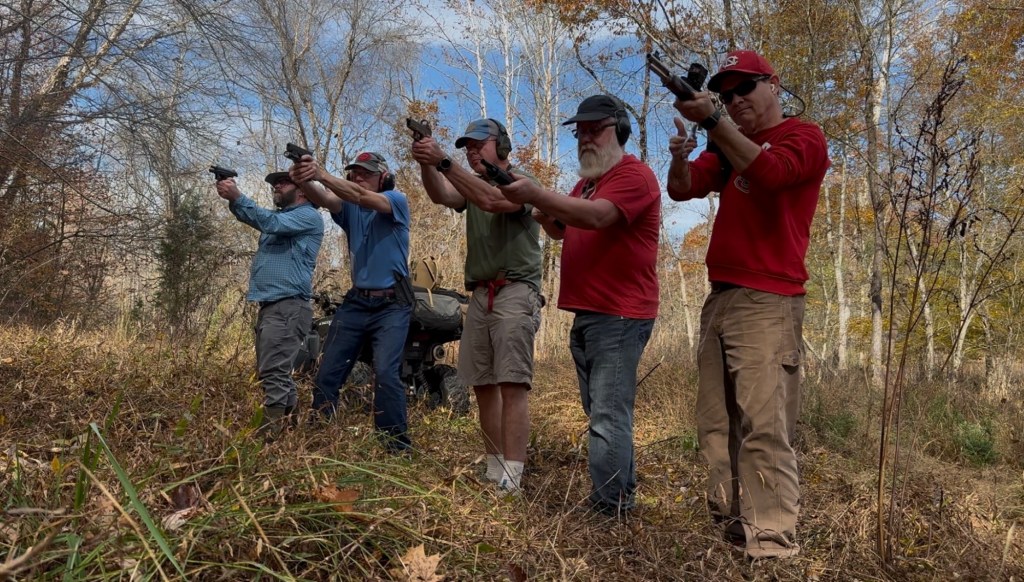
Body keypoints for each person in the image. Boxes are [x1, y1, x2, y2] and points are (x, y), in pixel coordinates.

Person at [666, 50, 829, 559]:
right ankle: (733, 526)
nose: (735, 101)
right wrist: (680, 154)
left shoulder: (803, 136)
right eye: (726, 94)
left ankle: (772, 542)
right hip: (721, 296)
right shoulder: (727, 143)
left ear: (773, 84)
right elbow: (682, 190)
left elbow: (773, 175)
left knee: (764, 424)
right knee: (716, 423)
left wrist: (713, 122)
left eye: (744, 89)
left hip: (769, 299)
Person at [500, 95, 660, 515]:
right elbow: (563, 228)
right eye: (580, 132)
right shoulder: (587, 183)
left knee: (608, 415)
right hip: (590, 311)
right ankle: (620, 494)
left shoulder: (634, 175)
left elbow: (596, 218)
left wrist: (539, 193)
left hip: (620, 313)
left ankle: (610, 507)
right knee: (601, 411)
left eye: (595, 130)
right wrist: (541, 208)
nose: (585, 138)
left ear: (619, 130)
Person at [411, 118, 543, 493]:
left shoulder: (521, 180)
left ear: (501, 145)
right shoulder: (470, 185)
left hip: (515, 289)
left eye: (478, 144)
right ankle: (493, 469)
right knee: (483, 385)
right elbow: (442, 195)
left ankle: (512, 479)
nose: (471, 152)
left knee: (512, 383)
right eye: (466, 147)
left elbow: (493, 201)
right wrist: (426, 162)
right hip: (481, 294)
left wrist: (443, 162)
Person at [289, 151, 414, 452]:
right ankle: (320, 437)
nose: (358, 178)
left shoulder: (396, 200)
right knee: (328, 370)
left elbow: (359, 196)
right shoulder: (351, 208)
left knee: (386, 373)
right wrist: (302, 180)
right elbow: (326, 199)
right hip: (357, 301)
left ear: (384, 178)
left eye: (366, 174)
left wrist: (320, 173)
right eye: (355, 173)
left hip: (392, 303)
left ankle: (395, 446)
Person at [217, 171, 324, 442]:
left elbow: (269, 222)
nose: (276, 186)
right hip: (274, 306)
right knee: (275, 371)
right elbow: (256, 218)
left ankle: (268, 438)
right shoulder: (283, 219)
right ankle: (289, 433)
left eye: (284, 182)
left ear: (303, 191)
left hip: (288, 306)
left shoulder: (308, 215)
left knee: (274, 372)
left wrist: (238, 196)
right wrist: (233, 200)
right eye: (276, 183)